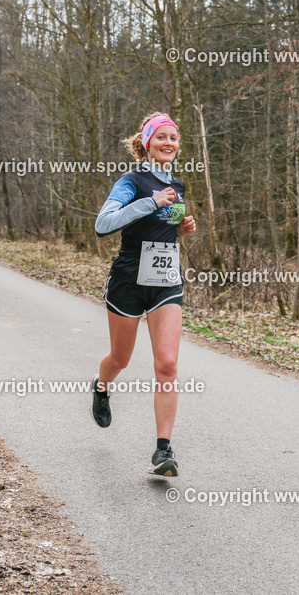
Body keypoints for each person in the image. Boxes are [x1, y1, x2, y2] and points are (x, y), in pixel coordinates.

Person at [93, 113, 196, 476]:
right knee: (120, 358)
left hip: (166, 280)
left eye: (174, 138)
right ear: (147, 142)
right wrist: (151, 201)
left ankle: (163, 451)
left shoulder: (178, 185)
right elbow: (103, 224)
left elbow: (167, 228)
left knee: (167, 364)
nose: (169, 143)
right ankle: (102, 386)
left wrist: (183, 227)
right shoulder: (131, 180)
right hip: (128, 280)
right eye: (161, 137)